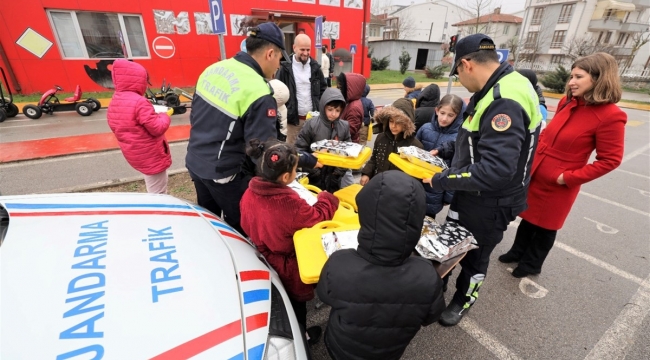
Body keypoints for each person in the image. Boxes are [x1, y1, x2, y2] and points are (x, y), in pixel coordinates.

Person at [422, 34, 542, 327]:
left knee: (475, 257)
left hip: (491, 201)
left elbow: (495, 170)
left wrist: (441, 179)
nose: (460, 80)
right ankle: (436, 292)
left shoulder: (505, 100)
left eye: (458, 74)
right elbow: (476, 137)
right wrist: (447, 149)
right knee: (450, 245)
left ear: (467, 64)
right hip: (471, 192)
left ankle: (463, 301)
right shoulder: (501, 85)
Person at [499, 53, 627, 278]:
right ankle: (518, 251)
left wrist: (567, 178)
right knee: (528, 217)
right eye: (571, 76)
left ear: (598, 79)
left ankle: (531, 264)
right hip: (537, 171)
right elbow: (550, 132)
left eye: (578, 77)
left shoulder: (611, 116)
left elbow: (610, 160)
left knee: (546, 225)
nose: (571, 82)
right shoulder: (567, 101)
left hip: (559, 182)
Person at [317, 170, 446, 360]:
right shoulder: (427, 276)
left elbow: (324, 296)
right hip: (390, 353)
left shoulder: (339, 263)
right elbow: (430, 316)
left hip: (341, 348)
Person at [185, 22, 285, 235]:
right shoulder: (259, 91)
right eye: (279, 59)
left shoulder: (214, 69)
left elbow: (195, 117)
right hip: (223, 174)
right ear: (270, 54)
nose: (278, 66)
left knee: (209, 223)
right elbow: (264, 151)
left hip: (195, 161)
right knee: (242, 227)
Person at [240, 139, 339, 346]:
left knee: (278, 304)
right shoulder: (288, 204)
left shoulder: (249, 192)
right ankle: (301, 338)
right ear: (286, 177)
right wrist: (327, 198)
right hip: (286, 265)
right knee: (295, 306)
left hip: (259, 255)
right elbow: (318, 216)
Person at [107, 59, 171, 194]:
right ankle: (158, 212)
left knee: (151, 182)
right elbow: (157, 128)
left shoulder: (115, 100)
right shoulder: (139, 102)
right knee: (158, 192)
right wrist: (165, 115)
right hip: (151, 155)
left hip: (136, 154)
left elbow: (115, 125)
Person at [416, 94, 465, 217]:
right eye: (442, 113)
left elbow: (456, 169)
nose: (444, 118)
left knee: (427, 224)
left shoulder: (459, 137)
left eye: (450, 115)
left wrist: (448, 196)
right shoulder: (425, 129)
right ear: (436, 110)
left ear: (458, 116)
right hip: (415, 183)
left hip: (436, 189)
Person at [295, 88, 354, 192]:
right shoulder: (311, 124)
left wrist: (338, 173)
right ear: (323, 107)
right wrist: (312, 168)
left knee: (331, 203)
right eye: (330, 109)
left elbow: (349, 151)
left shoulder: (344, 126)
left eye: (337, 111)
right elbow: (300, 149)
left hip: (334, 178)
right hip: (313, 176)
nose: (333, 114)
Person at [276, 34, 327, 144]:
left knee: (312, 151)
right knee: (292, 153)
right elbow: (277, 90)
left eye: (308, 50)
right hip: (293, 121)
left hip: (313, 120)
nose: (305, 53)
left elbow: (323, 90)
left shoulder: (316, 67)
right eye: (302, 49)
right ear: (294, 48)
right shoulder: (285, 68)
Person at [360, 106, 423, 185]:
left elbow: (415, 175)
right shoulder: (381, 137)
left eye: (398, 122)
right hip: (379, 182)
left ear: (406, 124)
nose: (393, 126)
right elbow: (374, 159)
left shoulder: (415, 146)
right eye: (391, 121)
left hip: (399, 188)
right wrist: (367, 173)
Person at [336, 72, 366, 143]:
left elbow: (350, 130)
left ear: (349, 89)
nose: (338, 90)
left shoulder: (354, 107)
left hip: (348, 145)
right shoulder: (350, 102)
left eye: (340, 88)